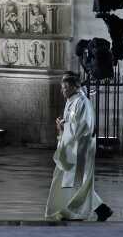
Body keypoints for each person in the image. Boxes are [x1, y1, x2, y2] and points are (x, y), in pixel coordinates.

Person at [45, 72, 113, 222]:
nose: (64, 90)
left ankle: (76, 212)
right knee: (75, 181)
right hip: (72, 148)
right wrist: (63, 126)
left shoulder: (81, 102)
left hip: (80, 149)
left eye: (66, 87)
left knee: (77, 182)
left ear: (75, 87)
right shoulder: (71, 101)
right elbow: (72, 123)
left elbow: (83, 126)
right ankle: (101, 209)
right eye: (62, 87)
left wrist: (63, 125)